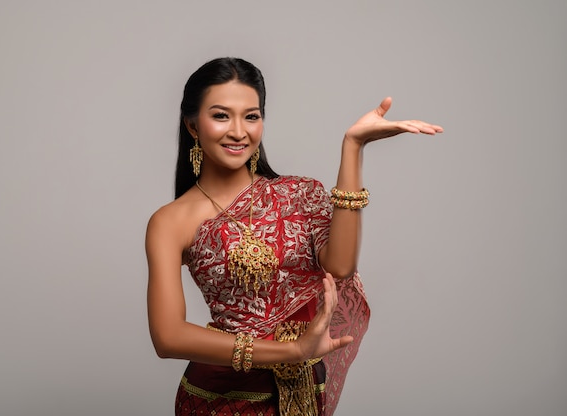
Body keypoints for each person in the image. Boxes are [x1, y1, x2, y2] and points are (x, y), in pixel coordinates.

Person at [145, 57, 443, 416]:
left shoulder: (298, 194)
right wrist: (293, 351)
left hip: (303, 392)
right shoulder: (169, 222)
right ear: (192, 126)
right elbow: (168, 336)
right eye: (221, 115)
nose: (239, 131)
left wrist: (352, 148)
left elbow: (340, 266)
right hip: (220, 399)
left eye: (251, 116)